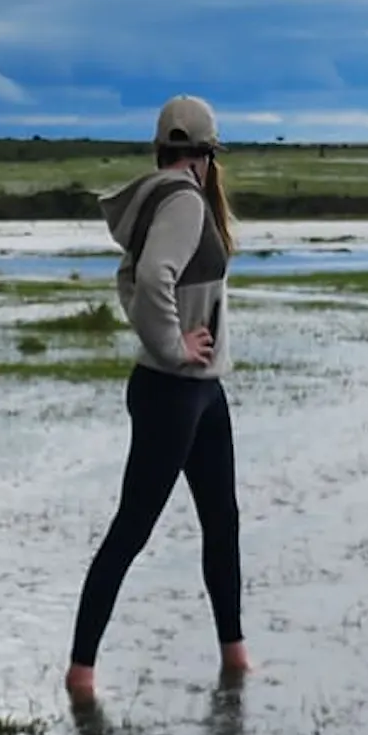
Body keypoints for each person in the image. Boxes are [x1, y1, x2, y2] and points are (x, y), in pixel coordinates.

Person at [66, 94, 251, 701]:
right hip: (174, 389)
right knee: (133, 527)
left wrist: (165, 338)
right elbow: (150, 279)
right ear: (202, 154)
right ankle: (82, 672)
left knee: (221, 522)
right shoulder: (183, 202)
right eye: (210, 153)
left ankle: (236, 658)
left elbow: (128, 277)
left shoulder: (154, 199)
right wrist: (173, 346)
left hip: (200, 391)